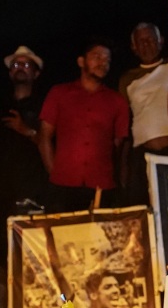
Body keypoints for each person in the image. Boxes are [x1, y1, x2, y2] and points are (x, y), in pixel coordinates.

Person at [0, 45, 50, 264]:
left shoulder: (45, 108)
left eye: (25, 65)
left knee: (28, 252)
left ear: (36, 73)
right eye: (15, 65)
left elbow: (50, 145)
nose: (19, 68)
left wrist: (26, 130)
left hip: (29, 191)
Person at [38, 39, 130, 212]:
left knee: (95, 238)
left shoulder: (117, 101)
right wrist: (54, 172)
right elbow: (44, 137)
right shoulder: (59, 93)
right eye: (97, 57)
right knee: (60, 237)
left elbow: (119, 145)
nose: (102, 63)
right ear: (81, 61)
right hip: (62, 184)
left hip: (101, 185)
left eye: (107, 60)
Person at [118, 23, 168, 205]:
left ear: (161, 41)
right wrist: (123, 163)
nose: (146, 45)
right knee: (145, 205)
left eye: (150, 39)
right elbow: (125, 121)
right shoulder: (127, 79)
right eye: (141, 42)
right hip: (143, 154)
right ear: (134, 47)